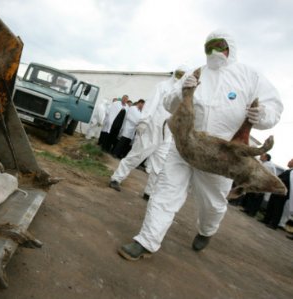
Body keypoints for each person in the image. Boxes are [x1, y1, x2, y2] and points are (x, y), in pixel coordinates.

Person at [118, 29, 283, 261]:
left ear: (230, 48)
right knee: (165, 192)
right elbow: (168, 103)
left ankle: (206, 231)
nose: (215, 51)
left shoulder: (250, 76)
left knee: (212, 204)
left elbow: (274, 108)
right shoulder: (196, 74)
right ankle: (146, 241)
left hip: (222, 156)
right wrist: (183, 91)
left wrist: (262, 114)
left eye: (220, 45)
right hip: (184, 145)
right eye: (210, 46)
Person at [108, 65, 188, 192]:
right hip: (152, 128)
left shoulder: (183, 92)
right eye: (178, 73)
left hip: (168, 133)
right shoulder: (162, 86)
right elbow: (151, 103)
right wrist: (144, 122)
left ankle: (149, 192)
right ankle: (116, 178)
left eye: (183, 74)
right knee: (137, 155)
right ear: (174, 73)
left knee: (160, 165)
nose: (180, 77)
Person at [261, 158, 293, 229]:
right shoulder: (287, 171)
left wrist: (278, 179)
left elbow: (287, 181)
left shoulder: (291, 173)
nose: (289, 161)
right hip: (276, 191)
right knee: (271, 205)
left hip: (282, 193)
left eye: (291, 161)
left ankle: (274, 224)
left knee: (277, 209)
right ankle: (266, 220)